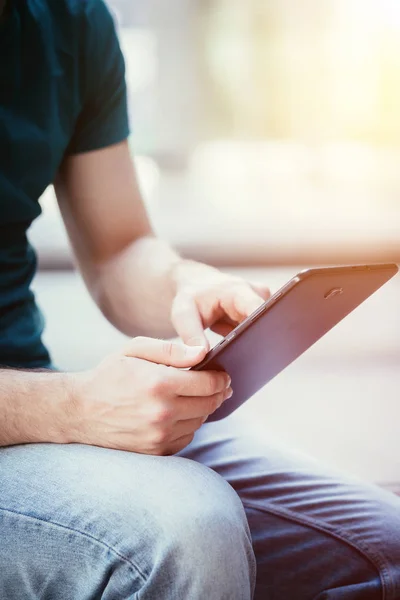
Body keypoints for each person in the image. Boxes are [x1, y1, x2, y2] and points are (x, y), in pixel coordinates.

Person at [1, 1, 400, 598]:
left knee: (382, 548)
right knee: (181, 526)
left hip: (39, 394)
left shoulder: (71, 20)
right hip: (37, 411)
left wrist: (184, 285)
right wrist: (70, 409)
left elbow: (119, 247)